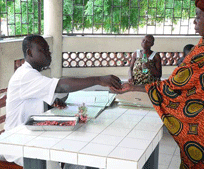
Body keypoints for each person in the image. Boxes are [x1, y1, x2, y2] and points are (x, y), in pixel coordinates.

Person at [111, 0, 204, 168]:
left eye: (198, 16)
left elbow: (172, 88)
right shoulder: (202, 47)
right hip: (197, 134)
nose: (194, 21)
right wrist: (133, 86)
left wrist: (135, 87)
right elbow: (176, 87)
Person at [3, 35, 121, 167]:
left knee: (79, 143)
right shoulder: (25, 75)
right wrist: (98, 80)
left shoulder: (31, 74)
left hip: (32, 135)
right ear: (30, 52)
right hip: (19, 143)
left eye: (48, 50)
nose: (49, 54)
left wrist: (50, 102)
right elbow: (60, 85)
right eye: (44, 50)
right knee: (77, 152)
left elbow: (38, 96)